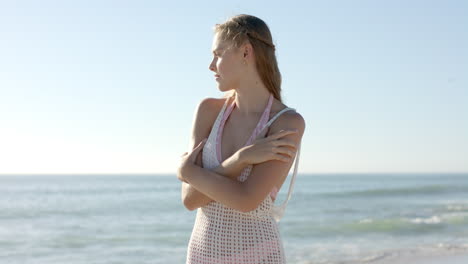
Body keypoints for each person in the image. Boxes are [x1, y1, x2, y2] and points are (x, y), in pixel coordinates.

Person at [177, 14, 305, 264]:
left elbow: (246, 200)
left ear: (246, 53)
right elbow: (190, 199)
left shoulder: (286, 123)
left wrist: (187, 171)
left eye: (218, 54)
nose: (211, 65)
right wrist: (241, 159)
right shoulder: (208, 111)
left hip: (258, 256)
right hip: (202, 255)